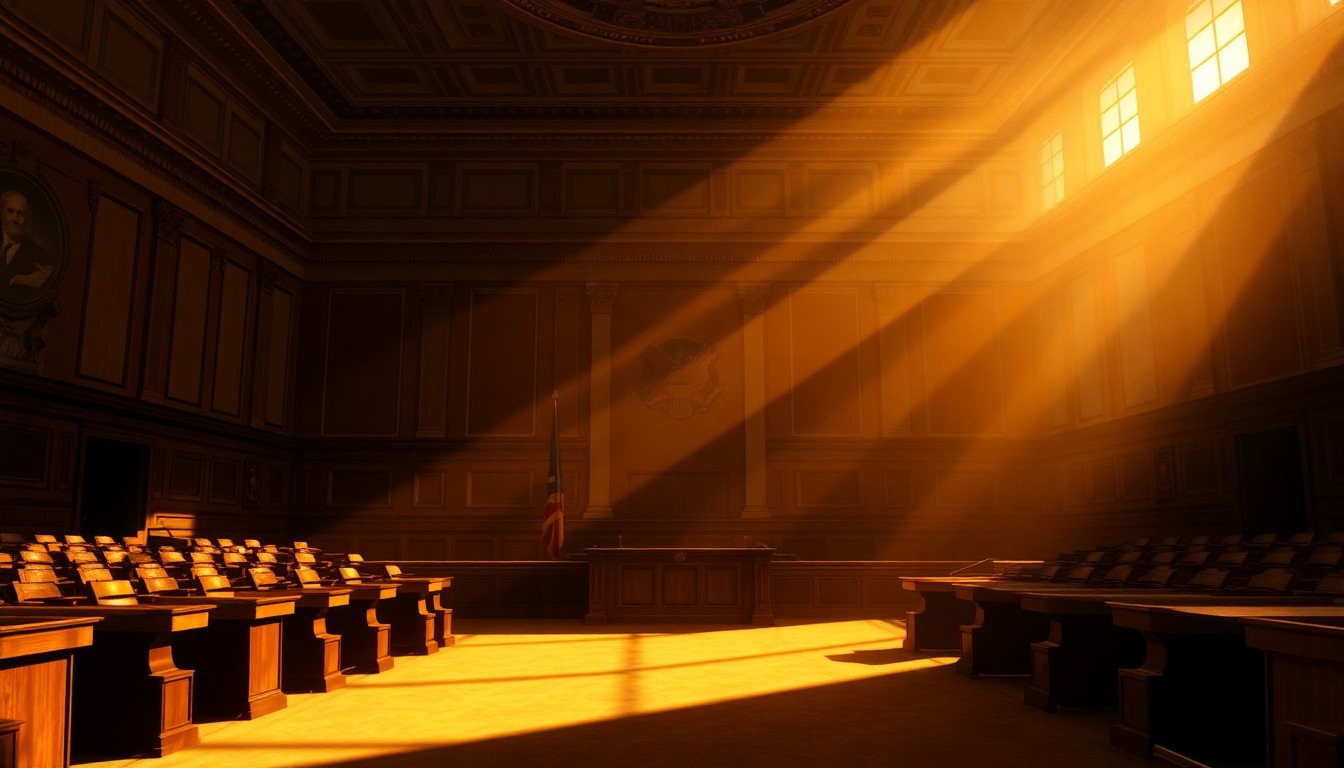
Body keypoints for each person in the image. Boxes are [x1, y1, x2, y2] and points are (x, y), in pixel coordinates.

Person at [0, 190, 55, 303]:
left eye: (20, 214)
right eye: (10, 211)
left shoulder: (39, 255)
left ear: (27, 219)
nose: (15, 219)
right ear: (2, 213)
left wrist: (30, 280)